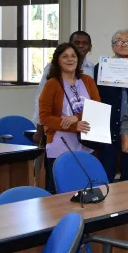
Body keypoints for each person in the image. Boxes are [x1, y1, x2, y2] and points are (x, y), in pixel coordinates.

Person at [38, 43, 101, 193]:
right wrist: (73, 125)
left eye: (73, 56)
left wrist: (76, 118)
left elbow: (97, 108)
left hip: (86, 143)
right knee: (60, 190)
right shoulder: (51, 84)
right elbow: (44, 117)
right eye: (65, 56)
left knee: (85, 186)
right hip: (60, 144)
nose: (70, 59)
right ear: (57, 60)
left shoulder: (87, 81)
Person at [93, 29, 128, 181]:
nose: (123, 44)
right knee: (106, 170)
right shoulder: (101, 68)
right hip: (108, 126)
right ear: (112, 46)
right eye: (119, 41)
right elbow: (95, 97)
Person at [33, 30, 94, 144]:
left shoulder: (92, 69)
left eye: (84, 43)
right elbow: (40, 101)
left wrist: (77, 118)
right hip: (58, 133)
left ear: (90, 47)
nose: (81, 45)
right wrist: (39, 130)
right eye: (77, 42)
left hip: (85, 134)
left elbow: (95, 105)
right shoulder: (51, 72)